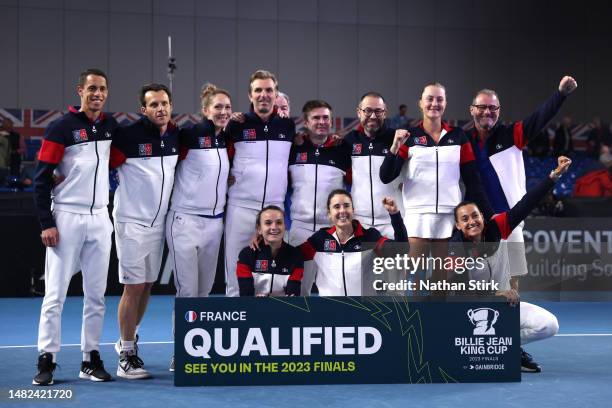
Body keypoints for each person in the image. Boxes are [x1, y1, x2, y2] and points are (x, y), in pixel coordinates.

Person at [32, 68, 117, 385]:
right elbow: (41, 179)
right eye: (92, 88)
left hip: (99, 217)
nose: (97, 94)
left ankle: (90, 357)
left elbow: (126, 153)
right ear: (79, 90)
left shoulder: (110, 127)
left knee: (97, 295)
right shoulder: (61, 128)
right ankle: (46, 359)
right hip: (66, 216)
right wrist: (46, 222)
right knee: (55, 294)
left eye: (103, 89)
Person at [450, 156, 571, 372]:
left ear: (482, 217)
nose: (472, 222)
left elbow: (525, 205)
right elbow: (458, 293)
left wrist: (554, 176)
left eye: (475, 216)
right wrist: (495, 295)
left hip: (502, 308)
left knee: (549, 325)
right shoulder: (454, 250)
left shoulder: (496, 228)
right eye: (465, 219)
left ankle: (509, 346)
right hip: (468, 316)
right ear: (458, 226)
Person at [466, 76, 577, 290]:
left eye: (492, 107)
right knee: (475, 283)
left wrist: (561, 94)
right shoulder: (462, 140)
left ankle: (510, 320)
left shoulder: (511, 135)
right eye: (481, 107)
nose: (487, 112)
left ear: (499, 110)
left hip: (510, 218)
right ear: (471, 109)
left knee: (511, 281)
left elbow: (539, 118)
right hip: (476, 223)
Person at [380, 82, 493, 285]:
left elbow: (472, 181)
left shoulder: (459, 137)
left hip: (449, 216)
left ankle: (438, 315)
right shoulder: (409, 137)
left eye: (439, 99)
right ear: (421, 103)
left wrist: (489, 214)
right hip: (417, 215)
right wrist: (395, 147)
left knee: (443, 280)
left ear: (445, 103)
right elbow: (387, 176)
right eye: (430, 99)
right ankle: (414, 316)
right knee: (415, 279)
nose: (434, 103)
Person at [110, 83, 180, 379]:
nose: (160, 109)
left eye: (164, 103)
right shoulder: (127, 136)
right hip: (130, 222)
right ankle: (126, 355)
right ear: (143, 109)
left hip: (158, 223)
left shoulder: (176, 135)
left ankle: (129, 337)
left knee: (148, 284)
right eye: (154, 105)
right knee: (133, 287)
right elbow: (99, 162)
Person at [165, 83, 231, 371]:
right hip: (185, 221)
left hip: (215, 224)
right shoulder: (189, 135)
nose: (223, 112)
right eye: (217, 107)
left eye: (228, 107)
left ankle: (198, 347)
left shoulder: (225, 139)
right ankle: (180, 350)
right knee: (188, 291)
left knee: (204, 292)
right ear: (205, 110)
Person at [224, 70, 295, 297]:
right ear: (249, 95)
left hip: (275, 208)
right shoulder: (235, 126)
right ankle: (235, 328)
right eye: (258, 90)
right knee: (235, 276)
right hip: (241, 208)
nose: (263, 95)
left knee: (272, 279)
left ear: (276, 94)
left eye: (268, 90)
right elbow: (217, 159)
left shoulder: (287, 126)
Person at [287, 100, 351, 295]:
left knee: (335, 291)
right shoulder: (293, 148)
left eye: (325, 118)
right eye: (316, 118)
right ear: (306, 122)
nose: (321, 122)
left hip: (332, 230)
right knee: (298, 289)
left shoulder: (342, 150)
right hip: (300, 229)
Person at [299, 189, 408, 296]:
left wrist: (395, 215)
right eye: (337, 207)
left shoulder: (369, 237)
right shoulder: (320, 239)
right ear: (329, 213)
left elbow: (401, 249)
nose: (342, 211)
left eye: (346, 206)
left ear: (353, 210)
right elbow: (293, 255)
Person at [341, 92, 403, 238]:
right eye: (368, 110)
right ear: (359, 112)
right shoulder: (350, 140)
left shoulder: (397, 139)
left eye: (378, 111)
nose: (373, 116)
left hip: (392, 221)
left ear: (385, 113)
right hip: (360, 222)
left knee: (394, 261)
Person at [237, 206, 303, 296]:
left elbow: (293, 293)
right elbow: (246, 294)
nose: (274, 227)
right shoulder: (246, 255)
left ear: (285, 227)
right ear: (259, 229)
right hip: (254, 307)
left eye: (279, 222)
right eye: (268, 223)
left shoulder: (296, 256)